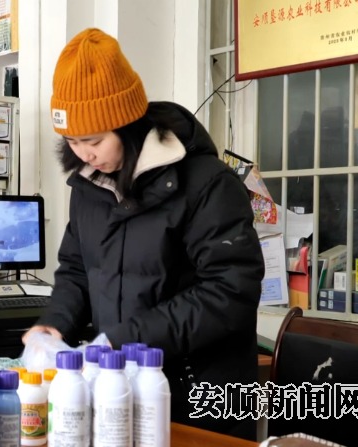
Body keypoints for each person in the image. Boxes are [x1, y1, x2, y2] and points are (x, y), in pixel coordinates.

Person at [23, 28, 265, 440]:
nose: (84, 153)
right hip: (119, 389)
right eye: (72, 141)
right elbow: (77, 269)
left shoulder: (206, 184)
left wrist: (124, 340)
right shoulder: (89, 186)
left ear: (127, 123)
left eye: (94, 140)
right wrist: (55, 324)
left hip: (200, 394)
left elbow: (229, 291)